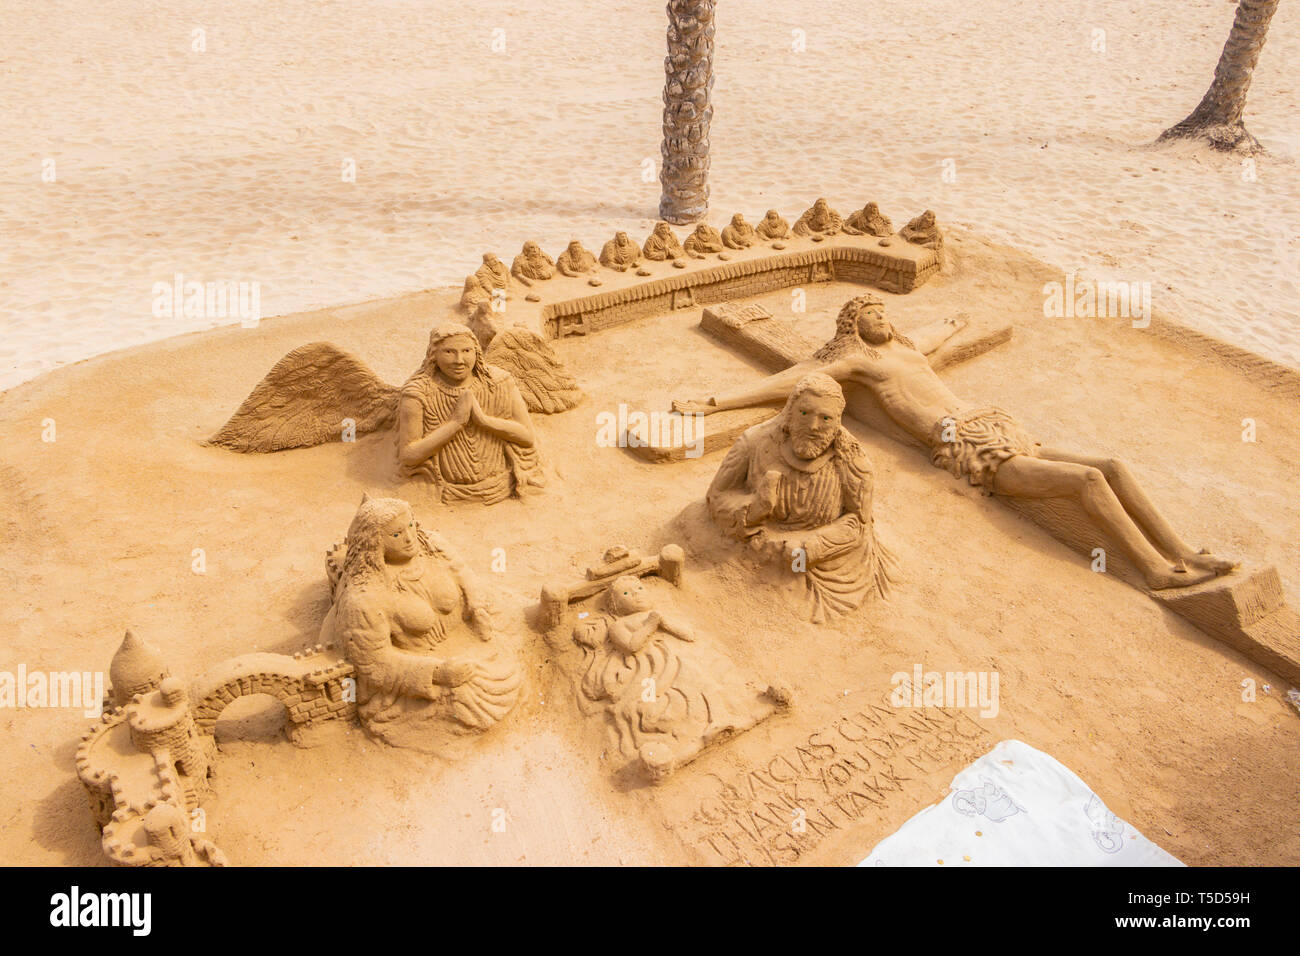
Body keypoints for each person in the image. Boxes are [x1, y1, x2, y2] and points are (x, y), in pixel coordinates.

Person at [676, 295, 1235, 590]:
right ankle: (1153, 569)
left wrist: (956, 320)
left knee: (1111, 462)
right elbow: (788, 381)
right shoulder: (856, 361)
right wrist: (715, 402)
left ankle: (1182, 550)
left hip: (994, 423)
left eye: (884, 312)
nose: (882, 318)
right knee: (1086, 480)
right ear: (852, 324)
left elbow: (936, 335)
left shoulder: (906, 347)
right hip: (966, 445)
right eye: (871, 313)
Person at [320, 494, 521, 746]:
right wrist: (437, 674)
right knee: (469, 698)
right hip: (414, 676)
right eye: (396, 534)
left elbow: (462, 572)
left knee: (510, 618)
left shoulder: (432, 546)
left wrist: (476, 606)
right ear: (375, 543)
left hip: (462, 641)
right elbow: (374, 663)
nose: (409, 537)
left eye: (411, 526)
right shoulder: (364, 598)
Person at [705, 373, 897, 622]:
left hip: (838, 571)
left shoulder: (852, 460)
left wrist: (813, 546)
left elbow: (860, 521)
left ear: (837, 421)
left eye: (825, 419)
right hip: (756, 558)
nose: (813, 427)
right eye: (804, 414)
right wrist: (754, 508)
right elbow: (716, 497)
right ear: (790, 411)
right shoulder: (753, 443)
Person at [397, 321, 544, 504]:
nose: (459, 360)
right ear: (433, 355)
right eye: (449, 352)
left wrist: (483, 421)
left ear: (476, 352)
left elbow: (528, 436)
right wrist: (455, 424)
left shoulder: (500, 381)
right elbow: (409, 455)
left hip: (503, 484)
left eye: (467, 351)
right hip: (450, 492)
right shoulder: (418, 393)